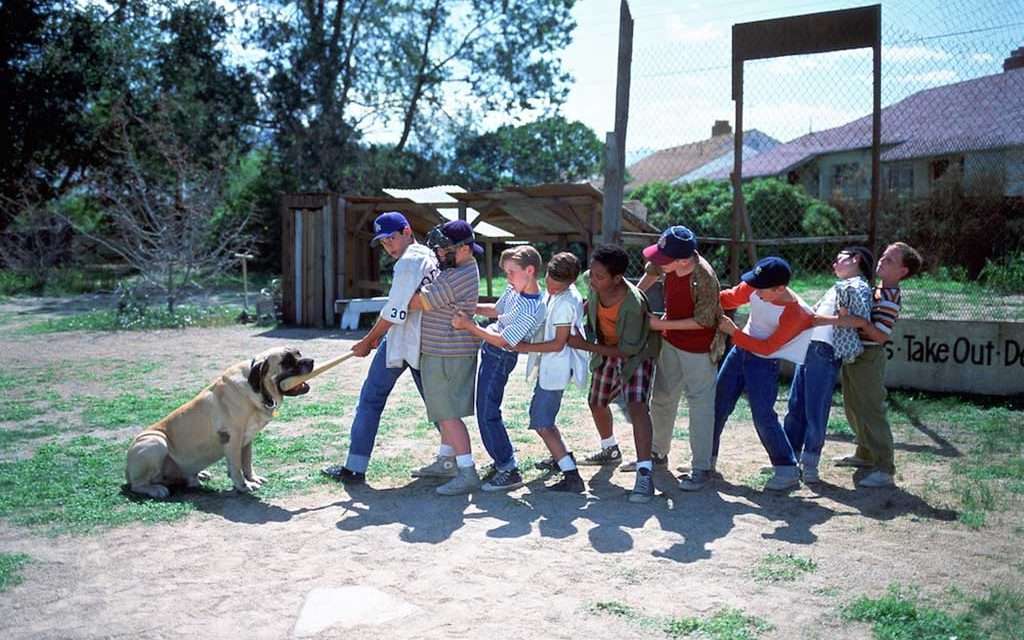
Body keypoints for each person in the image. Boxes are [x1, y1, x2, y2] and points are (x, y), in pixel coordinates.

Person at [321, 212, 442, 485]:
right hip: (419, 339)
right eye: (384, 242)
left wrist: (367, 340)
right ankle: (456, 459)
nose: (389, 246)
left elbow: (394, 311)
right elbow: (398, 307)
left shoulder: (409, 261)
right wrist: (376, 336)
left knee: (372, 400)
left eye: (392, 238)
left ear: (407, 231)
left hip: (406, 340)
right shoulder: (428, 255)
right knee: (437, 405)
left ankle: (354, 468)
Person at [634, 225, 725, 492]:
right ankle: (657, 454)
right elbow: (650, 273)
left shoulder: (704, 277)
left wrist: (661, 326)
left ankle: (702, 468)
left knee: (700, 405)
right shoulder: (668, 263)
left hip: (698, 347)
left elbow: (704, 321)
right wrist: (635, 300)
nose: (659, 262)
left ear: (684, 260)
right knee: (662, 397)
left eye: (665, 258)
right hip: (671, 342)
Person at [569, 244, 661, 503]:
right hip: (607, 347)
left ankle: (644, 474)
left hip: (635, 353)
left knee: (637, 406)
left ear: (617, 278)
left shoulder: (632, 303)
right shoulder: (595, 282)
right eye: (592, 273)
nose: (593, 278)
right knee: (596, 402)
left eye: (600, 276)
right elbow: (589, 302)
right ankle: (609, 449)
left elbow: (626, 351)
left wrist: (583, 345)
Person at [451, 246, 546, 492]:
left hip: (500, 356)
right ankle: (501, 460)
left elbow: (505, 341)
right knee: (485, 409)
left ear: (530, 271)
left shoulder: (532, 307)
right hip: (492, 352)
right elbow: (496, 310)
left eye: (511, 272)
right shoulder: (515, 290)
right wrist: (470, 309)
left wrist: (468, 325)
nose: (508, 278)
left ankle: (508, 467)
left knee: (487, 411)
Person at [715, 256, 813, 492]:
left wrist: (733, 333)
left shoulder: (794, 312)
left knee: (763, 416)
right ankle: (704, 461)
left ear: (780, 288)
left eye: (762, 289)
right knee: (717, 405)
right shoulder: (758, 284)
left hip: (764, 362)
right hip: (740, 354)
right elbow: (730, 296)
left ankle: (787, 469)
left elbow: (769, 347)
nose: (755, 292)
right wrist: (702, 296)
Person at [832, 241, 923, 488]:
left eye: (890, 260)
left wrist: (859, 322)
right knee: (853, 406)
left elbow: (881, 335)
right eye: (883, 256)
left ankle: (885, 467)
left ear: (902, 272)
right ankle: (865, 454)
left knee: (871, 409)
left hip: (869, 358)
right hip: (855, 354)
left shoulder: (891, 298)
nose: (881, 260)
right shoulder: (876, 290)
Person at [782, 247, 873, 484]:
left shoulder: (857, 286)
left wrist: (820, 320)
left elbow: (860, 320)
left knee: (815, 410)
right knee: (796, 406)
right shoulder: (840, 286)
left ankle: (809, 464)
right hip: (811, 348)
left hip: (825, 351)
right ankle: (787, 460)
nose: (834, 263)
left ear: (856, 259)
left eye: (839, 258)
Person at [406, 220, 483, 495]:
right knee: (442, 410)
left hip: (448, 352)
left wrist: (403, 287)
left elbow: (417, 302)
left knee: (448, 414)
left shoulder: (458, 275)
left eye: (443, 249)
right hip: (442, 350)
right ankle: (446, 461)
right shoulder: (457, 268)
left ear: (463, 249)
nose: (438, 253)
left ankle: (467, 472)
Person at [514, 252, 590, 493]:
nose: (552, 287)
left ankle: (571, 474)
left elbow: (558, 343)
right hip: (551, 366)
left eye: (558, 284)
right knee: (545, 419)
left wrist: (525, 347)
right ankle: (561, 457)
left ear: (570, 282)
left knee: (541, 422)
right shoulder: (561, 294)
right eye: (550, 281)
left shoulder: (566, 301)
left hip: (555, 366)